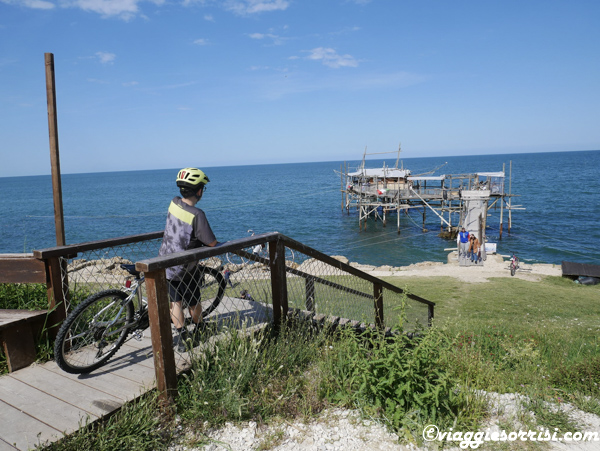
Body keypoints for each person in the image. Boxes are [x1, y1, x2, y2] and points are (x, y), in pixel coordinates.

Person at [158, 167, 218, 352]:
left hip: (166, 263)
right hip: (185, 268)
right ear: (199, 191)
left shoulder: (173, 203)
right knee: (193, 300)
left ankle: (183, 338)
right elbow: (211, 243)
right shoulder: (197, 214)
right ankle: (199, 329)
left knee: (175, 302)